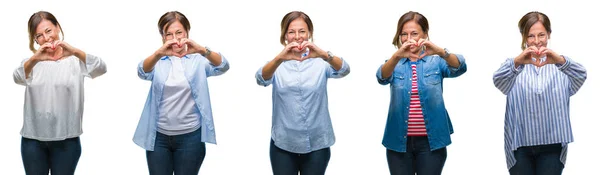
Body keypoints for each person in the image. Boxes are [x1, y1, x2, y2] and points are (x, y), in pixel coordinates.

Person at [132, 11, 229, 175]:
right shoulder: (158, 61)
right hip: (158, 137)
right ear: (162, 37)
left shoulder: (198, 60)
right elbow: (142, 71)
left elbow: (223, 66)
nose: (175, 38)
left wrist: (201, 50)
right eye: (168, 34)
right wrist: (158, 54)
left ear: (187, 33)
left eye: (179, 33)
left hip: (190, 137)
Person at [255, 11, 350, 175]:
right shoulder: (277, 64)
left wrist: (323, 54)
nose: (297, 36)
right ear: (285, 35)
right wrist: (279, 59)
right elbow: (260, 79)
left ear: (309, 33)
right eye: (291, 32)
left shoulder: (321, 62)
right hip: (283, 144)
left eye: (302, 31)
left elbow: (344, 70)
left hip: (317, 143)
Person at [13, 11, 107, 175]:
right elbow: (17, 77)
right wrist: (35, 58)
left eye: (49, 31)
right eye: (39, 36)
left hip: (67, 141)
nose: (46, 38)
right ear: (35, 40)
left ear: (57, 27)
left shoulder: (75, 60)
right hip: (33, 141)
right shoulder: (31, 62)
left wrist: (75, 51)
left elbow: (101, 68)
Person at [492, 11, 587, 175]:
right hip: (520, 145)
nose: (536, 41)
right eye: (531, 36)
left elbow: (581, 75)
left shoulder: (561, 68)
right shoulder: (514, 66)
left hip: (552, 146)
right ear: (523, 37)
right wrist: (517, 62)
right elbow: (498, 81)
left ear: (549, 34)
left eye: (541, 35)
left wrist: (560, 61)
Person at [376, 11, 467, 175]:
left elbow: (460, 67)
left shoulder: (437, 61)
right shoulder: (394, 63)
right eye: (404, 34)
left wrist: (440, 51)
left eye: (414, 33)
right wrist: (397, 56)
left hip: (431, 142)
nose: (408, 38)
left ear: (425, 34)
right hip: (398, 142)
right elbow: (381, 77)